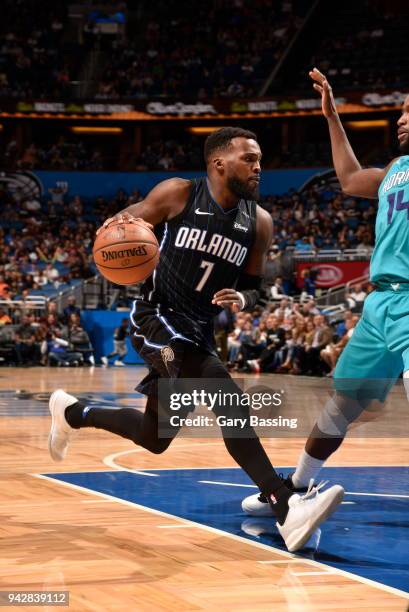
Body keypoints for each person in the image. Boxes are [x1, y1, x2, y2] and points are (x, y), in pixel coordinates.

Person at [48, 126, 343, 553]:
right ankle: (285, 505)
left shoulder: (259, 222)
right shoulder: (178, 193)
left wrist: (244, 296)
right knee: (228, 398)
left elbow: (255, 284)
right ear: (219, 163)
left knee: (155, 437)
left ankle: (74, 412)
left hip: (200, 330)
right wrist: (119, 228)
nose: (259, 167)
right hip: (157, 320)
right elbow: (125, 225)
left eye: (260, 159)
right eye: (250, 159)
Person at [242, 67, 409, 516]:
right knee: (343, 402)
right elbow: (352, 179)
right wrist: (333, 116)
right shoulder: (397, 168)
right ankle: (295, 487)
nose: (402, 117)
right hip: (381, 303)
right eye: (403, 109)